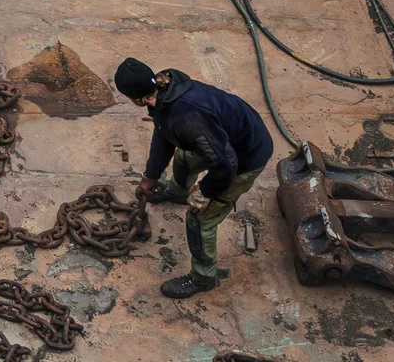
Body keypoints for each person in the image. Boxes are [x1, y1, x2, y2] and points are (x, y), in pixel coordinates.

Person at [114, 57, 274, 300]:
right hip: (222, 139)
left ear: (136, 98)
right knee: (184, 158)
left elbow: (226, 164)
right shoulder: (165, 89)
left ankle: (203, 277)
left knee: (200, 218)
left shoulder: (186, 117)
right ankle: (177, 193)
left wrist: (205, 191)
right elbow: (163, 135)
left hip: (245, 157)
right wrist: (150, 176)